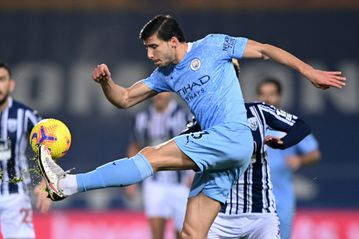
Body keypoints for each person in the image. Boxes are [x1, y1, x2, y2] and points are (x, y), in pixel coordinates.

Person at [37, 15, 345, 238]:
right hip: (225, 154)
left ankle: (66, 185)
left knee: (150, 156)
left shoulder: (213, 45)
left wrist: (309, 72)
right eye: (146, 48)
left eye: (153, 47)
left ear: (173, 41)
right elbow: (125, 98)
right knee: (191, 233)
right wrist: (107, 83)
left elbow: (264, 49)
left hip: (232, 137)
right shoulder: (166, 74)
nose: (149, 54)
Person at [257, 78, 321, 239]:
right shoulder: (252, 125)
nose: (267, 98)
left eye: (271, 94)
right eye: (263, 94)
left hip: (281, 199)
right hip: (255, 198)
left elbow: (314, 154)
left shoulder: (290, 125)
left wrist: (299, 160)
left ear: (279, 97)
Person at [126, 92, 192, 239]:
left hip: (181, 183)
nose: (159, 96)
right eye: (157, 92)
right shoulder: (143, 118)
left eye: (163, 92)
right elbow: (134, 145)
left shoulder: (183, 115)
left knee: (183, 232)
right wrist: (131, 179)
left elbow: (195, 144)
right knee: (156, 231)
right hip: (154, 182)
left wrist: (195, 173)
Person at [0, 62, 51, 238]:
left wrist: (47, 183)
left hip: (15, 194)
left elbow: (49, 146)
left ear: (11, 84)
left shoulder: (25, 114)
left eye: (2, 80)